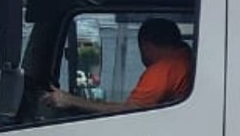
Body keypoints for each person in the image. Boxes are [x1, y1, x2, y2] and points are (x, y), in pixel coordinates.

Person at [46, 18, 193, 114]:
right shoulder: (186, 58)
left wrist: (70, 100)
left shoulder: (164, 69)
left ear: (146, 46)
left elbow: (129, 112)